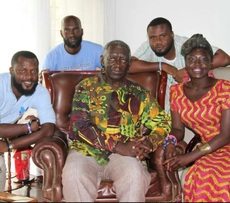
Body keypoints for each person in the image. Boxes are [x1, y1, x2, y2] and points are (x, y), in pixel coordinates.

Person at [62, 40, 171, 202]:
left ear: (129, 64)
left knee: (135, 175)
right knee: (74, 175)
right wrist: (118, 146)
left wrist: (149, 141)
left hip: (125, 155)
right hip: (86, 151)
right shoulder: (86, 87)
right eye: (112, 59)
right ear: (102, 60)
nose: (118, 64)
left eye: (123, 59)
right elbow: (78, 127)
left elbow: (163, 123)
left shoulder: (139, 93)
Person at [163, 34, 230, 202]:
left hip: (224, 144)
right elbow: (178, 129)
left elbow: (225, 135)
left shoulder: (225, 88)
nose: (197, 64)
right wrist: (170, 141)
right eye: (192, 59)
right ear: (185, 62)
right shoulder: (176, 91)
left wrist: (191, 156)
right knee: (199, 175)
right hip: (209, 148)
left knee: (223, 179)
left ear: (210, 63)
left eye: (203, 59)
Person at [129, 17, 230, 113]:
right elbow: (128, 66)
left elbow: (224, 58)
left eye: (163, 36)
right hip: (170, 110)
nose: (158, 42)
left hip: (199, 105)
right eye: (153, 38)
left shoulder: (185, 45)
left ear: (172, 34)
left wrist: (188, 70)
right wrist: (162, 65)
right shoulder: (148, 47)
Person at [0, 51, 56, 191]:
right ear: (12, 71)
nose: (29, 77)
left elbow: (49, 129)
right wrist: (27, 128)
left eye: (33, 71)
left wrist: (10, 145)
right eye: (23, 71)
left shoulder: (39, 91)